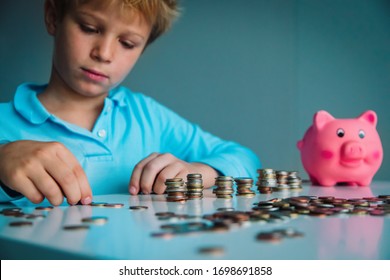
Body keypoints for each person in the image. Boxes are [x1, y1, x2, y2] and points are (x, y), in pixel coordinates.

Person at [0, 0, 260, 206]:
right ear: (53, 16)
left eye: (127, 43)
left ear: (143, 48)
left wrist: (202, 171)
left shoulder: (147, 117)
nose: (103, 53)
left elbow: (246, 158)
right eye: (89, 28)